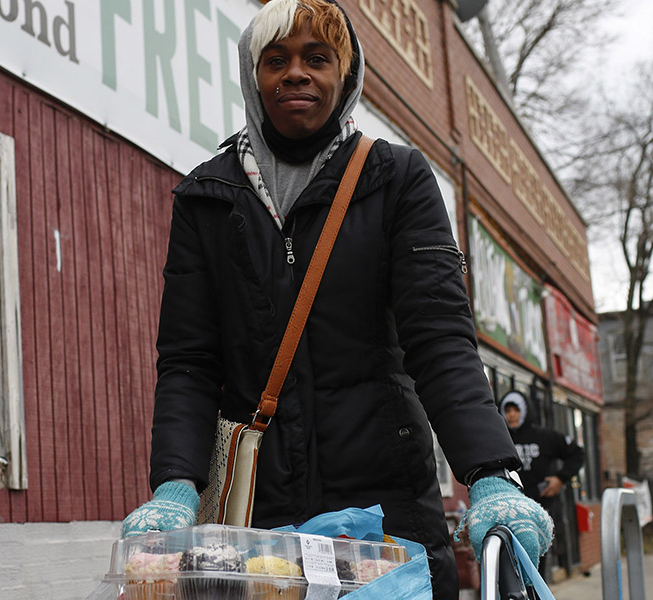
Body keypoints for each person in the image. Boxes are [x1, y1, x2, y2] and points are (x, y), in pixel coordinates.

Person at [120, 1, 553, 597]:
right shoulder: (207, 199)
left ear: (346, 76)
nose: (295, 73)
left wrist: (490, 475)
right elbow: (189, 365)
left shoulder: (397, 180)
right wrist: (174, 487)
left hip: (386, 516)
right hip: (258, 525)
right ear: (253, 76)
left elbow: (441, 340)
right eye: (276, 60)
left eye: (317, 59)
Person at [500, 389, 585, 576]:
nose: (512, 415)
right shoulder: (499, 438)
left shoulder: (545, 436)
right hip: (508, 510)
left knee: (535, 564)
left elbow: (577, 453)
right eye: (508, 410)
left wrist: (561, 478)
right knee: (508, 564)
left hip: (539, 509)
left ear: (525, 411)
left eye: (516, 409)